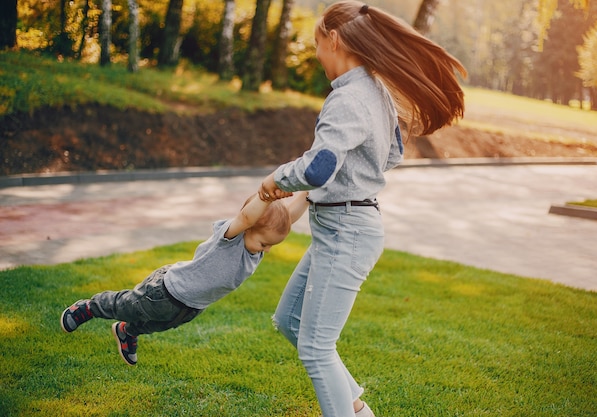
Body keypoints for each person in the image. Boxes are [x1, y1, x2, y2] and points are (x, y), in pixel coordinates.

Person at [258, 2, 466, 416]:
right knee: (290, 322)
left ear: (334, 40)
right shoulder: (377, 92)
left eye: (318, 44)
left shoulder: (349, 98)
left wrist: (276, 180)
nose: (317, 55)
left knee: (316, 349)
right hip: (342, 226)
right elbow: (391, 155)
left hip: (347, 230)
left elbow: (318, 168)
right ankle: (356, 408)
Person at [60, 191, 309, 366]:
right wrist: (266, 195)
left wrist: (308, 194)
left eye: (270, 245)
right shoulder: (231, 238)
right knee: (124, 306)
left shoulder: (255, 248)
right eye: (265, 243)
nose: (267, 250)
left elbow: (287, 218)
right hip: (165, 291)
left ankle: (126, 332)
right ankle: (88, 308)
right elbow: (246, 216)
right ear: (249, 227)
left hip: (191, 306)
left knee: (157, 325)